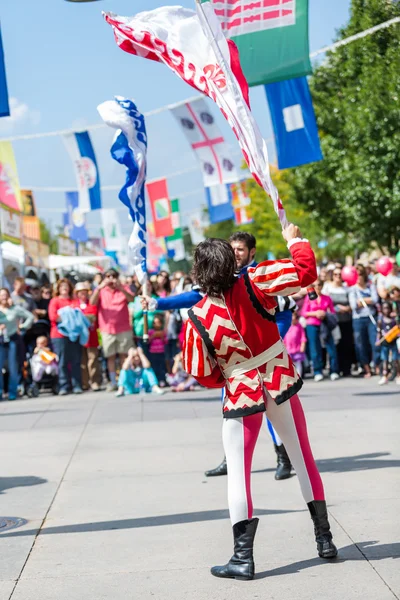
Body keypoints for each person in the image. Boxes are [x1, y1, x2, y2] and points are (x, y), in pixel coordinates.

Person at [179, 225, 337, 580]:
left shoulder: (197, 318)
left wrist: (230, 375)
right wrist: (295, 238)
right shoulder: (256, 280)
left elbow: (201, 373)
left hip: (241, 393)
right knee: (303, 458)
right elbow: (306, 272)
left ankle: (242, 558)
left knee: (239, 474)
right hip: (279, 380)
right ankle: (324, 539)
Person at [147, 231, 296, 481]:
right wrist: (157, 304)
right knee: (230, 406)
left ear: (251, 253)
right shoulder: (219, 275)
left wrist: (270, 343)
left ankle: (283, 456)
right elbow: (195, 297)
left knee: (271, 405)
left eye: (240, 249)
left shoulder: (259, 275)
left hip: (264, 350)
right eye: (232, 249)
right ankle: (232, 457)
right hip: (234, 356)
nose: (235, 253)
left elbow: (285, 309)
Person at [90, 268, 135, 392]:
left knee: (124, 356)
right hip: (107, 328)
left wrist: (120, 288)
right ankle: (113, 382)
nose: (111, 278)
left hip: (123, 328)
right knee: (110, 357)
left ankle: (124, 381)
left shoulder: (123, 287)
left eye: (113, 276)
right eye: (108, 276)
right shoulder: (101, 290)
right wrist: (99, 287)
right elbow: (92, 302)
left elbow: (132, 299)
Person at [48, 278, 83, 395]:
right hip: (59, 335)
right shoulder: (55, 301)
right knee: (62, 361)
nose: (64, 288)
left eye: (66, 285)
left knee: (75, 360)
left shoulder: (74, 301)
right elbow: (53, 316)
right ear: (58, 288)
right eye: (62, 286)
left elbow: (79, 314)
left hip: (74, 334)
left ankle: (76, 384)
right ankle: (64, 385)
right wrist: (68, 318)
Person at [302, 279, 340, 382]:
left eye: (319, 285)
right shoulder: (309, 297)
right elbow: (304, 313)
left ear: (322, 286)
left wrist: (324, 313)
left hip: (325, 324)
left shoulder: (327, 298)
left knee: (331, 347)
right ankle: (317, 371)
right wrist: (315, 313)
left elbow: (332, 312)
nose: (317, 287)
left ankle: (334, 370)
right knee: (315, 349)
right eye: (315, 285)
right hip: (312, 324)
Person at [0, 288, 34, 400]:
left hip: (12, 339)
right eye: (1, 295)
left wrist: (22, 327)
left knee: (13, 367)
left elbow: (30, 316)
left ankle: (12, 391)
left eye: (5, 295)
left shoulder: (14, 309)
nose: (4, 297)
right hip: (0, 340)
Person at [323, 268, 355, 376]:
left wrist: (345, 309)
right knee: (335, 344)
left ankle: (346, 368)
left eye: (340, 274)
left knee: (346, 344)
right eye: (335, 274)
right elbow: (323, 302)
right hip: (333, 322)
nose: (338, 276)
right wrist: (335, 309)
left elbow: (352, 304)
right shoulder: (327, 287)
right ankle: (335, 368)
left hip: (346, 320)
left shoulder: (347, 288)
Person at [349, 265, 379, 378]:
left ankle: (376, 365)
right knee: (360, 345)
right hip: (358, 320)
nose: (359, 278)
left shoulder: (370, 286)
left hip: (371, 318)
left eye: (360, 275)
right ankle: (366, 368)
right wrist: (368, 300)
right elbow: (353, 306)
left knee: (374, 342)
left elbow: (375, 300)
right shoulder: (353, 289)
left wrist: (361, 301)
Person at [73, 282, 102, 392]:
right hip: (79, 337)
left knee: (93, 359)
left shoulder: (92, 304)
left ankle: (95, 381)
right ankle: (85, 382)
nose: (83, 295)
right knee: (82, 361)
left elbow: (93, 318)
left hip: (92, 336)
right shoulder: (74, 305)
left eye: (85, 292)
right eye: (81, 293)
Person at [376, 301, 400, 385]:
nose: (386, 310)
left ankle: (398, 375)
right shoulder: (381, 320)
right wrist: (377, 340)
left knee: (395, 360)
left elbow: (397, 330)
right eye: (384, 308)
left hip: (393, 343)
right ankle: (384, 376)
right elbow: (378, 332)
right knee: (385, 360)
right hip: (384, 344)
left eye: (388, 308)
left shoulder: (394, 320)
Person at [284, 310, 307, 377]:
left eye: (293, 316)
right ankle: (292, 376)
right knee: (290, 363)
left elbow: (303, 337)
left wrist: (303, 345)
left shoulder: (299, 326)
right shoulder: (287, 325)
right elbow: (284, 337)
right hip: (288, 348)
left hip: (297, 348)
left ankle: (299, 376)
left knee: (298, 363)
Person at [148, 314, 167, 385]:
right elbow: (148, 341)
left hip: (161, 352)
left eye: (158, 322)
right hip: (153, 352)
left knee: (161, 366)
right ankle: (155, 381)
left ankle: (162, 380)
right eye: (155, 323)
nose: (156, 324)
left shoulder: (163, 332)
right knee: (154, 367)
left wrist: (162, 336)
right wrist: (153, 336)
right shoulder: (150, 331)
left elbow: (165, 341)